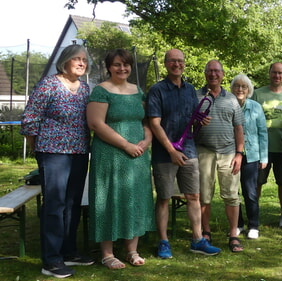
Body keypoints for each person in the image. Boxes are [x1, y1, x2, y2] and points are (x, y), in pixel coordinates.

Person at [21, 44, 94, 278]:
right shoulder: (49, 84)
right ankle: (51, 260)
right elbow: (30, 118)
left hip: (80, 152)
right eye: (76, 59)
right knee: (54, 204)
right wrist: (38, 149)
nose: (81, 63)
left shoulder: (85, 88)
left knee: (73, 203)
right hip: (53, 153)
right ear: (65, 61)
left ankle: (68, 251)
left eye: (84, 59)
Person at [147, 49, 220, 258]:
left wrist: (200, 119)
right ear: (166, 63)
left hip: (188, 149)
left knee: (194, 196)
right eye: (172, 61)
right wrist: (171, 150)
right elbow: (154, 123)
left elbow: (190, 118)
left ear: (184, 64)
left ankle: (197, 240)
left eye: (180, 61)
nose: (177, 64)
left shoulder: (190, 90)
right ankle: (163, 242)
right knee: (163, 197)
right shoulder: (157, 90)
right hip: (165, 153)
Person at [87, 48, 155, 269]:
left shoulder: (138, 91)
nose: (122, 68)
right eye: (117, 64)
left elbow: (145, 121)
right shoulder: (100, 91)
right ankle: (107, 253)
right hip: (111, 154)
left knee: (135, 198)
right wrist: (126, 145)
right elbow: (96, 124)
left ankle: (132, 250)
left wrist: (146, 140)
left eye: (125, 64)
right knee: (109, 198)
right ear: (109, 67)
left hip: (138, 155)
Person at [196, 60, 245, 252]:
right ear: (205, 74)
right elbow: (187, 124)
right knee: (204, 196)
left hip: (228, 153)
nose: (213, 74)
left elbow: (239, 128)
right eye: (209, 71)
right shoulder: (195, 96)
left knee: (232, 196)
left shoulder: (232, 99)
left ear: (223, 74)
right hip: (203, 151)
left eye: (217, 71)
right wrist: (197, 119)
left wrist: (239, 154)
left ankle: (233, 234)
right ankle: (206, 232)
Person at [252, 62, 282, 228]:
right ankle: (253, 212)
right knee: (257, 182)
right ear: (269, 73)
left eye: (280, 73)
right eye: (274, 72)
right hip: (261, 148)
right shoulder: (257, 94)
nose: (277, 76)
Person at [231, 74, 268, 239]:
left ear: (249, 90)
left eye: (243, 87)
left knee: (250, 192)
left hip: (251, 156)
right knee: (233, 192)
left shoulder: (255, 107)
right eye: (237, 86)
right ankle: (238, 224)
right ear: (232, 89)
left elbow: (262, 133)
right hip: (231, 154)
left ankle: (253, 225)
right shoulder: (228, 105)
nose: (240, 89)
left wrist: (264, 157)